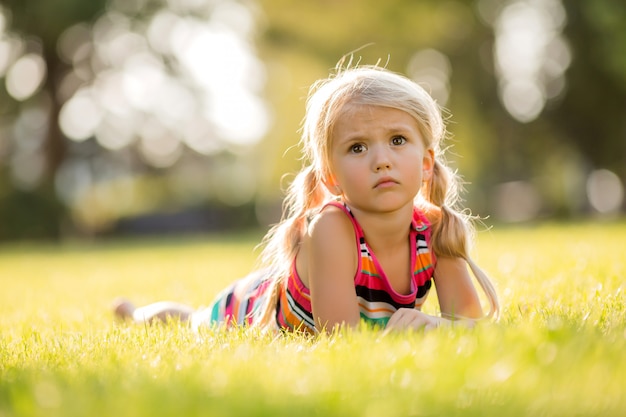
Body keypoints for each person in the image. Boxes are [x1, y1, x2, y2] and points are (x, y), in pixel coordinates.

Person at [114, 63, 500, 334]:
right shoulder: (331, 229)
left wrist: (435, 326)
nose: (382, 160)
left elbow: (474, 327)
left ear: (427, 162)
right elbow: (342, 341)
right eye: (358, 147)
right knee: (193, 321)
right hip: (249, 307)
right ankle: (136, 315)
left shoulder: (435, 231)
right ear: (331, 177)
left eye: (397, 141)